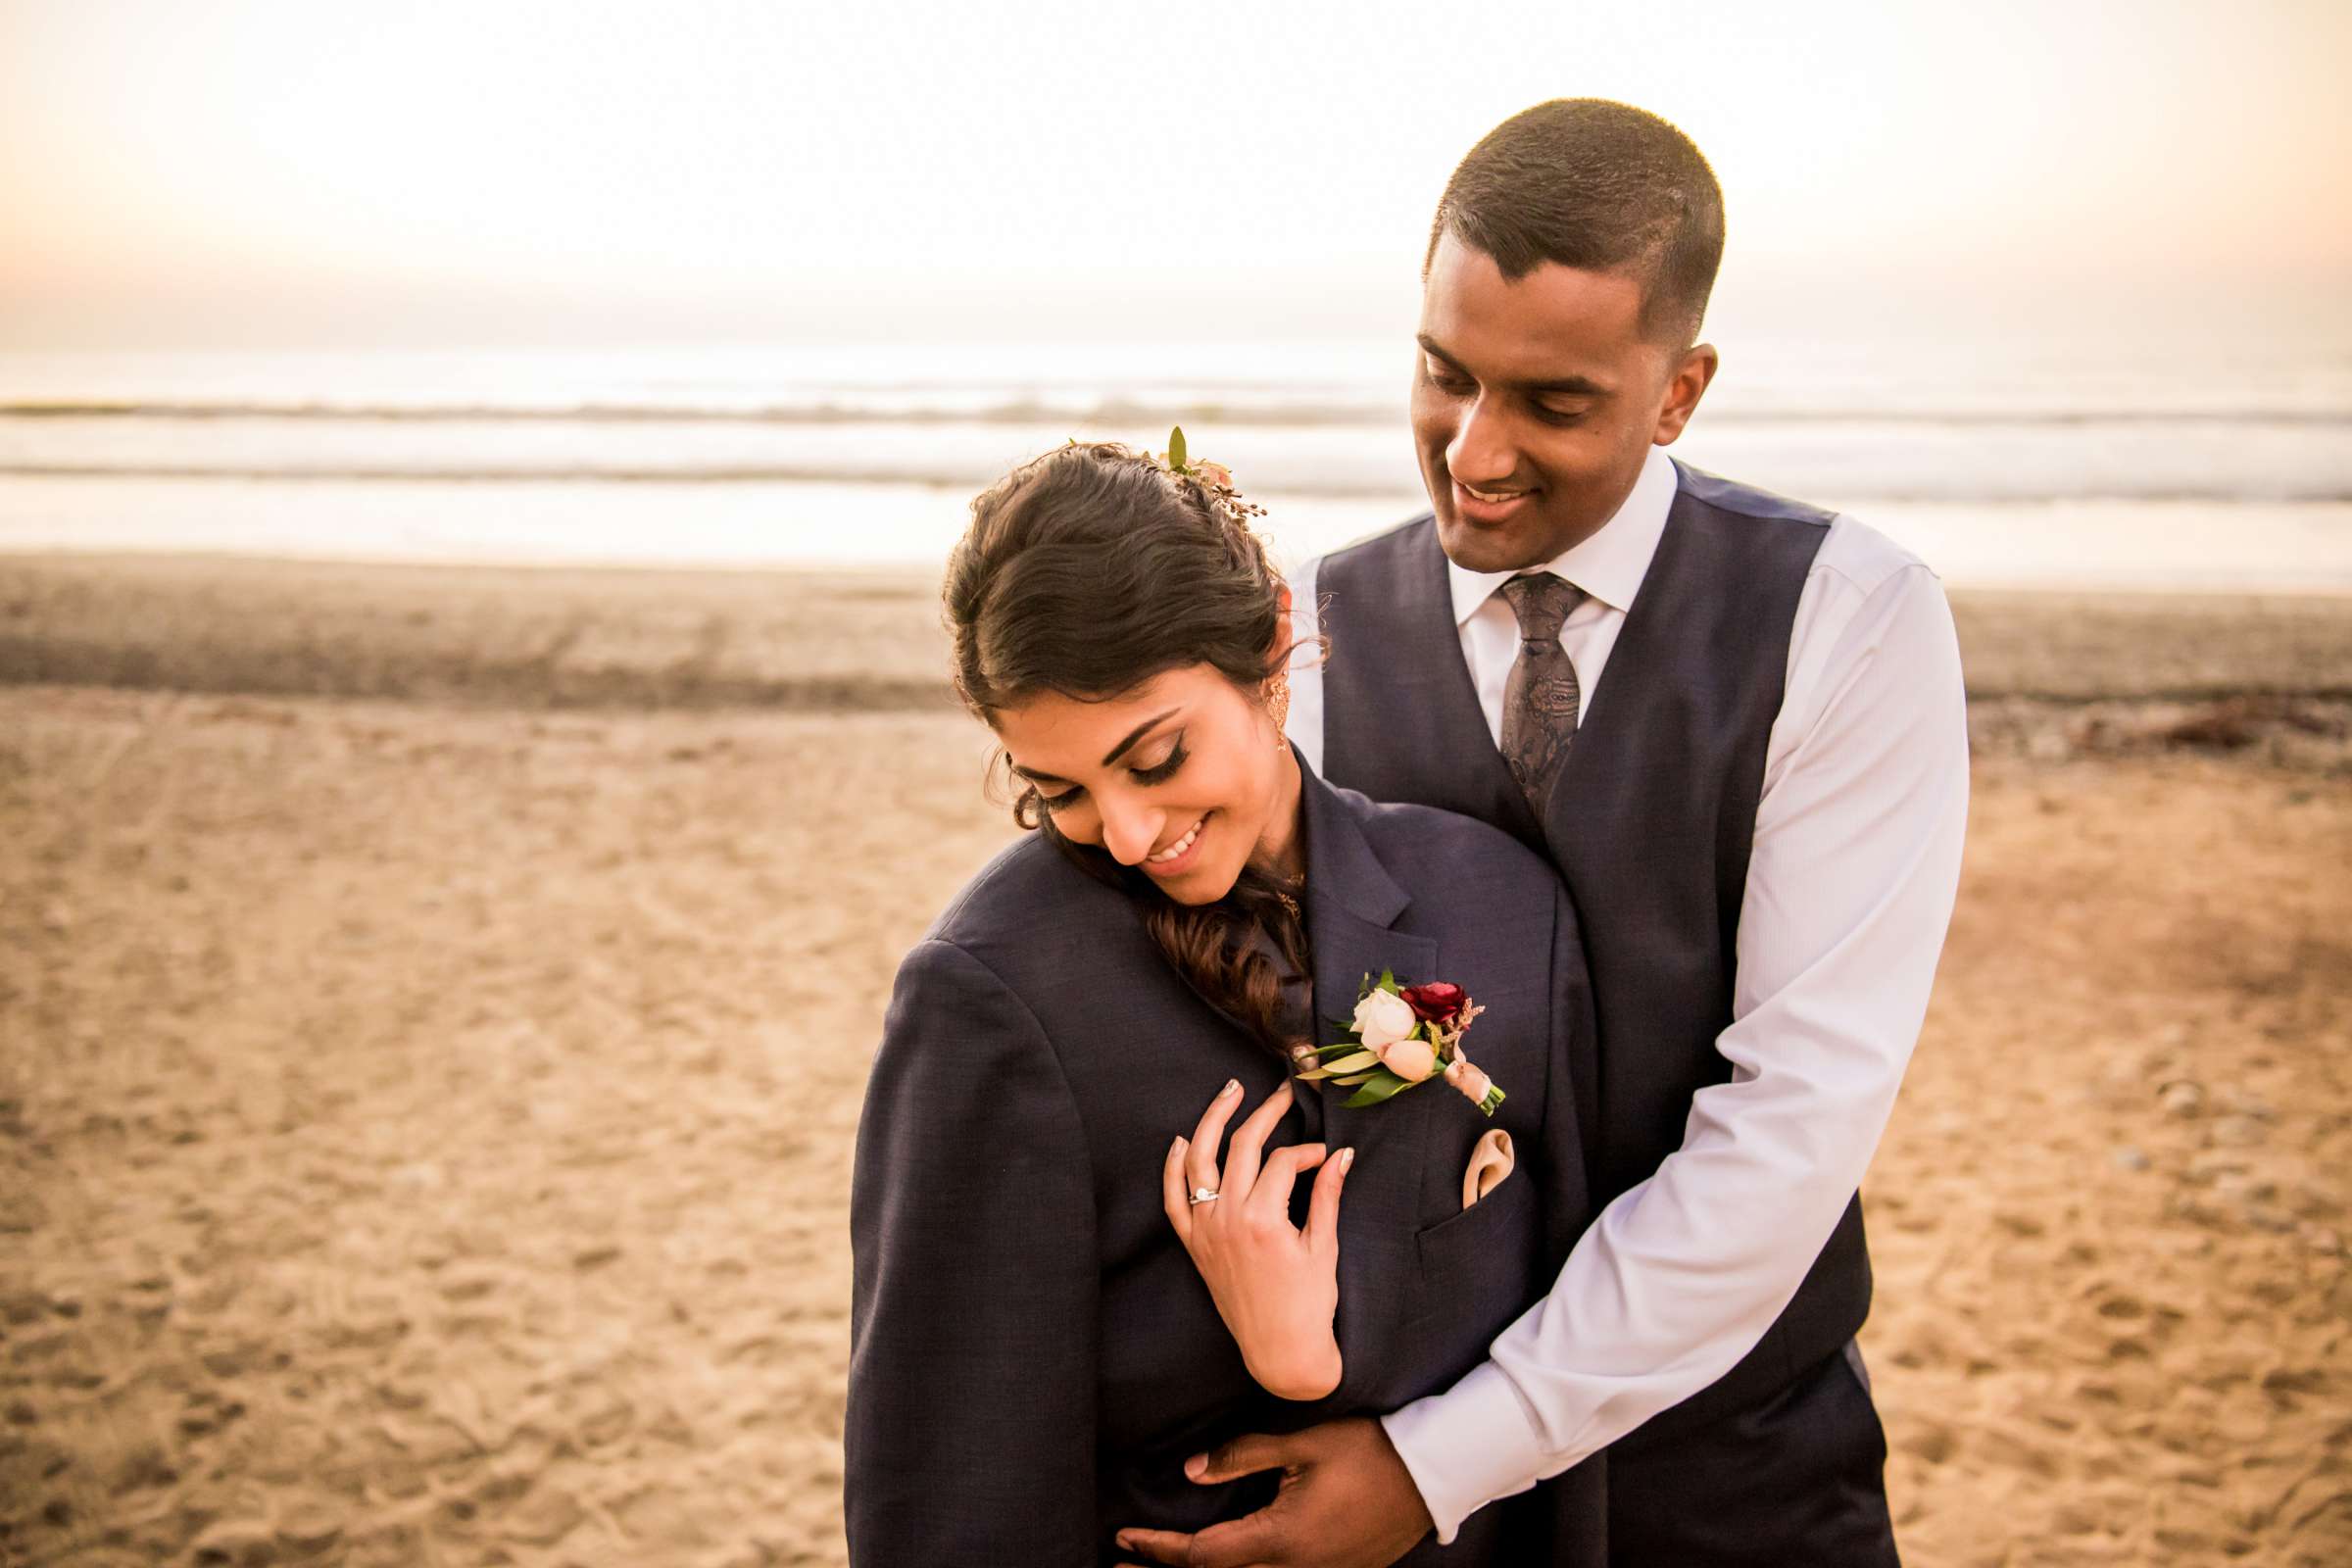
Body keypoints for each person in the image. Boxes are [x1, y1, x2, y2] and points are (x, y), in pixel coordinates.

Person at [1113, 100, 1969, 1568]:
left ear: (1680, 389)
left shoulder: (1853, 622)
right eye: (1445, 376)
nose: (1476, 451)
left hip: (1731, 1465)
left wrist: (1444, 1462)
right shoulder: (1299, 632)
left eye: (1554, 403)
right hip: (1393, 1462)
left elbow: (1793, 1123)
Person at [845, 439, 1609, 1564]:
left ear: (1268, 652)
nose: (1127, 834)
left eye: (1154, 757)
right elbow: (953, 1480)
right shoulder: (992, 993)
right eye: (1058, 790)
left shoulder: (1505, 907)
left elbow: (1576, 1323)